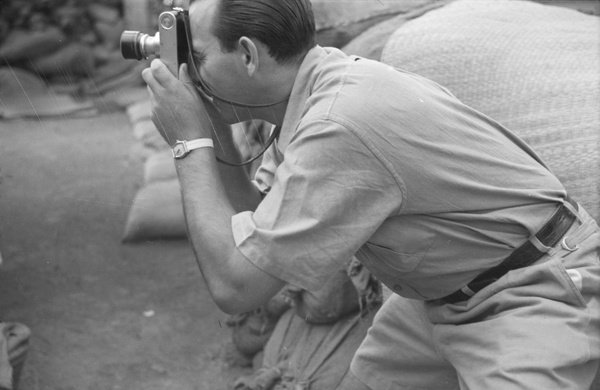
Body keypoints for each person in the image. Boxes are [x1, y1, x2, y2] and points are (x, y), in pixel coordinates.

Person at [141, 0, 600, 388]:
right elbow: (260, 233)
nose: (190, 76)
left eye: (197, 60)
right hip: (442, 296)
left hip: (528, 290)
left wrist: (189, 144)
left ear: (247, 56)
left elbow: (237, 286)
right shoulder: (313, 95)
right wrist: (214, 129)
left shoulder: (338, 123)